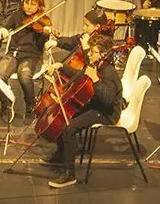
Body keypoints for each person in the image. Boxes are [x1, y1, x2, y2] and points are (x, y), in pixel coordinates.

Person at [42, 34, 124, 188]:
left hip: (107, 113)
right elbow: (79, 75)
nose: (90, 55)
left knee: (70, 128)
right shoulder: (96, 65)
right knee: (64, 116)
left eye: (93, 52)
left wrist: (96, 80)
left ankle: (69, 174)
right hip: (96, 104)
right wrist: (61, 66)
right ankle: (62, 154)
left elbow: (108, 100)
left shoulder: (108, 72)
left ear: (103, 54)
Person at [0, 0, 58, 121]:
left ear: (40, 5)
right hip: (14, 53)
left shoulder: (43, 20)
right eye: (26, 2)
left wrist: (46, 33)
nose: (28, 7)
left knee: (24, 76)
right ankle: (5, 105)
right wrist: (2, 29)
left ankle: (30, 105)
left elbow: (43, 46)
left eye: (33, 4)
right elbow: (0, 24)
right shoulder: (17, 15)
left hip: (31, 56)